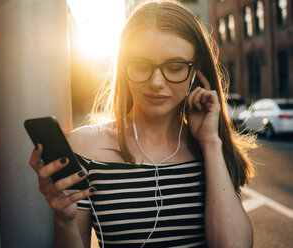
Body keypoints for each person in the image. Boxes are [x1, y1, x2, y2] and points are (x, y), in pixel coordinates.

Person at [29, 1, 255, 247]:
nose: (156, 82)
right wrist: (64, 219)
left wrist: (210, 142)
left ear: (195, 69)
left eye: (175, 66)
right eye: (140, 65)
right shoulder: (85, 147)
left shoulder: (210, 146)